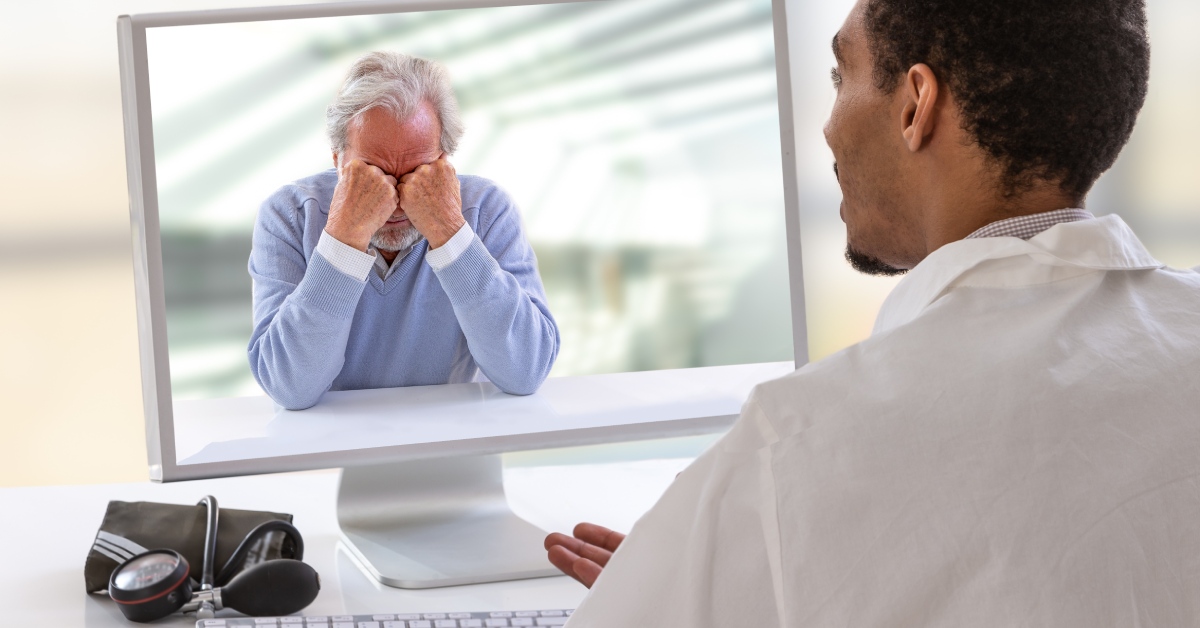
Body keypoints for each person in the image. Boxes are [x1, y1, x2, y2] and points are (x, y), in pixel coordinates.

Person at [546, 0, 1200, 624]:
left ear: (916, 104)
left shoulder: (793, 448)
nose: (828, 127)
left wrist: (686, 588)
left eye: (842, 74)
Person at [247, 52, 559, 410]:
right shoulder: (288, 215)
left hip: (457, 439)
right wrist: (343, 238)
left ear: (445, 161)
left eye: (417, 174)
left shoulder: (486, 210)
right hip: (335, 447)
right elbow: (288, 386)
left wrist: (449, 230)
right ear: (337, 159)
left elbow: (526, 370)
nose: (396, 200)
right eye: (372, 174)